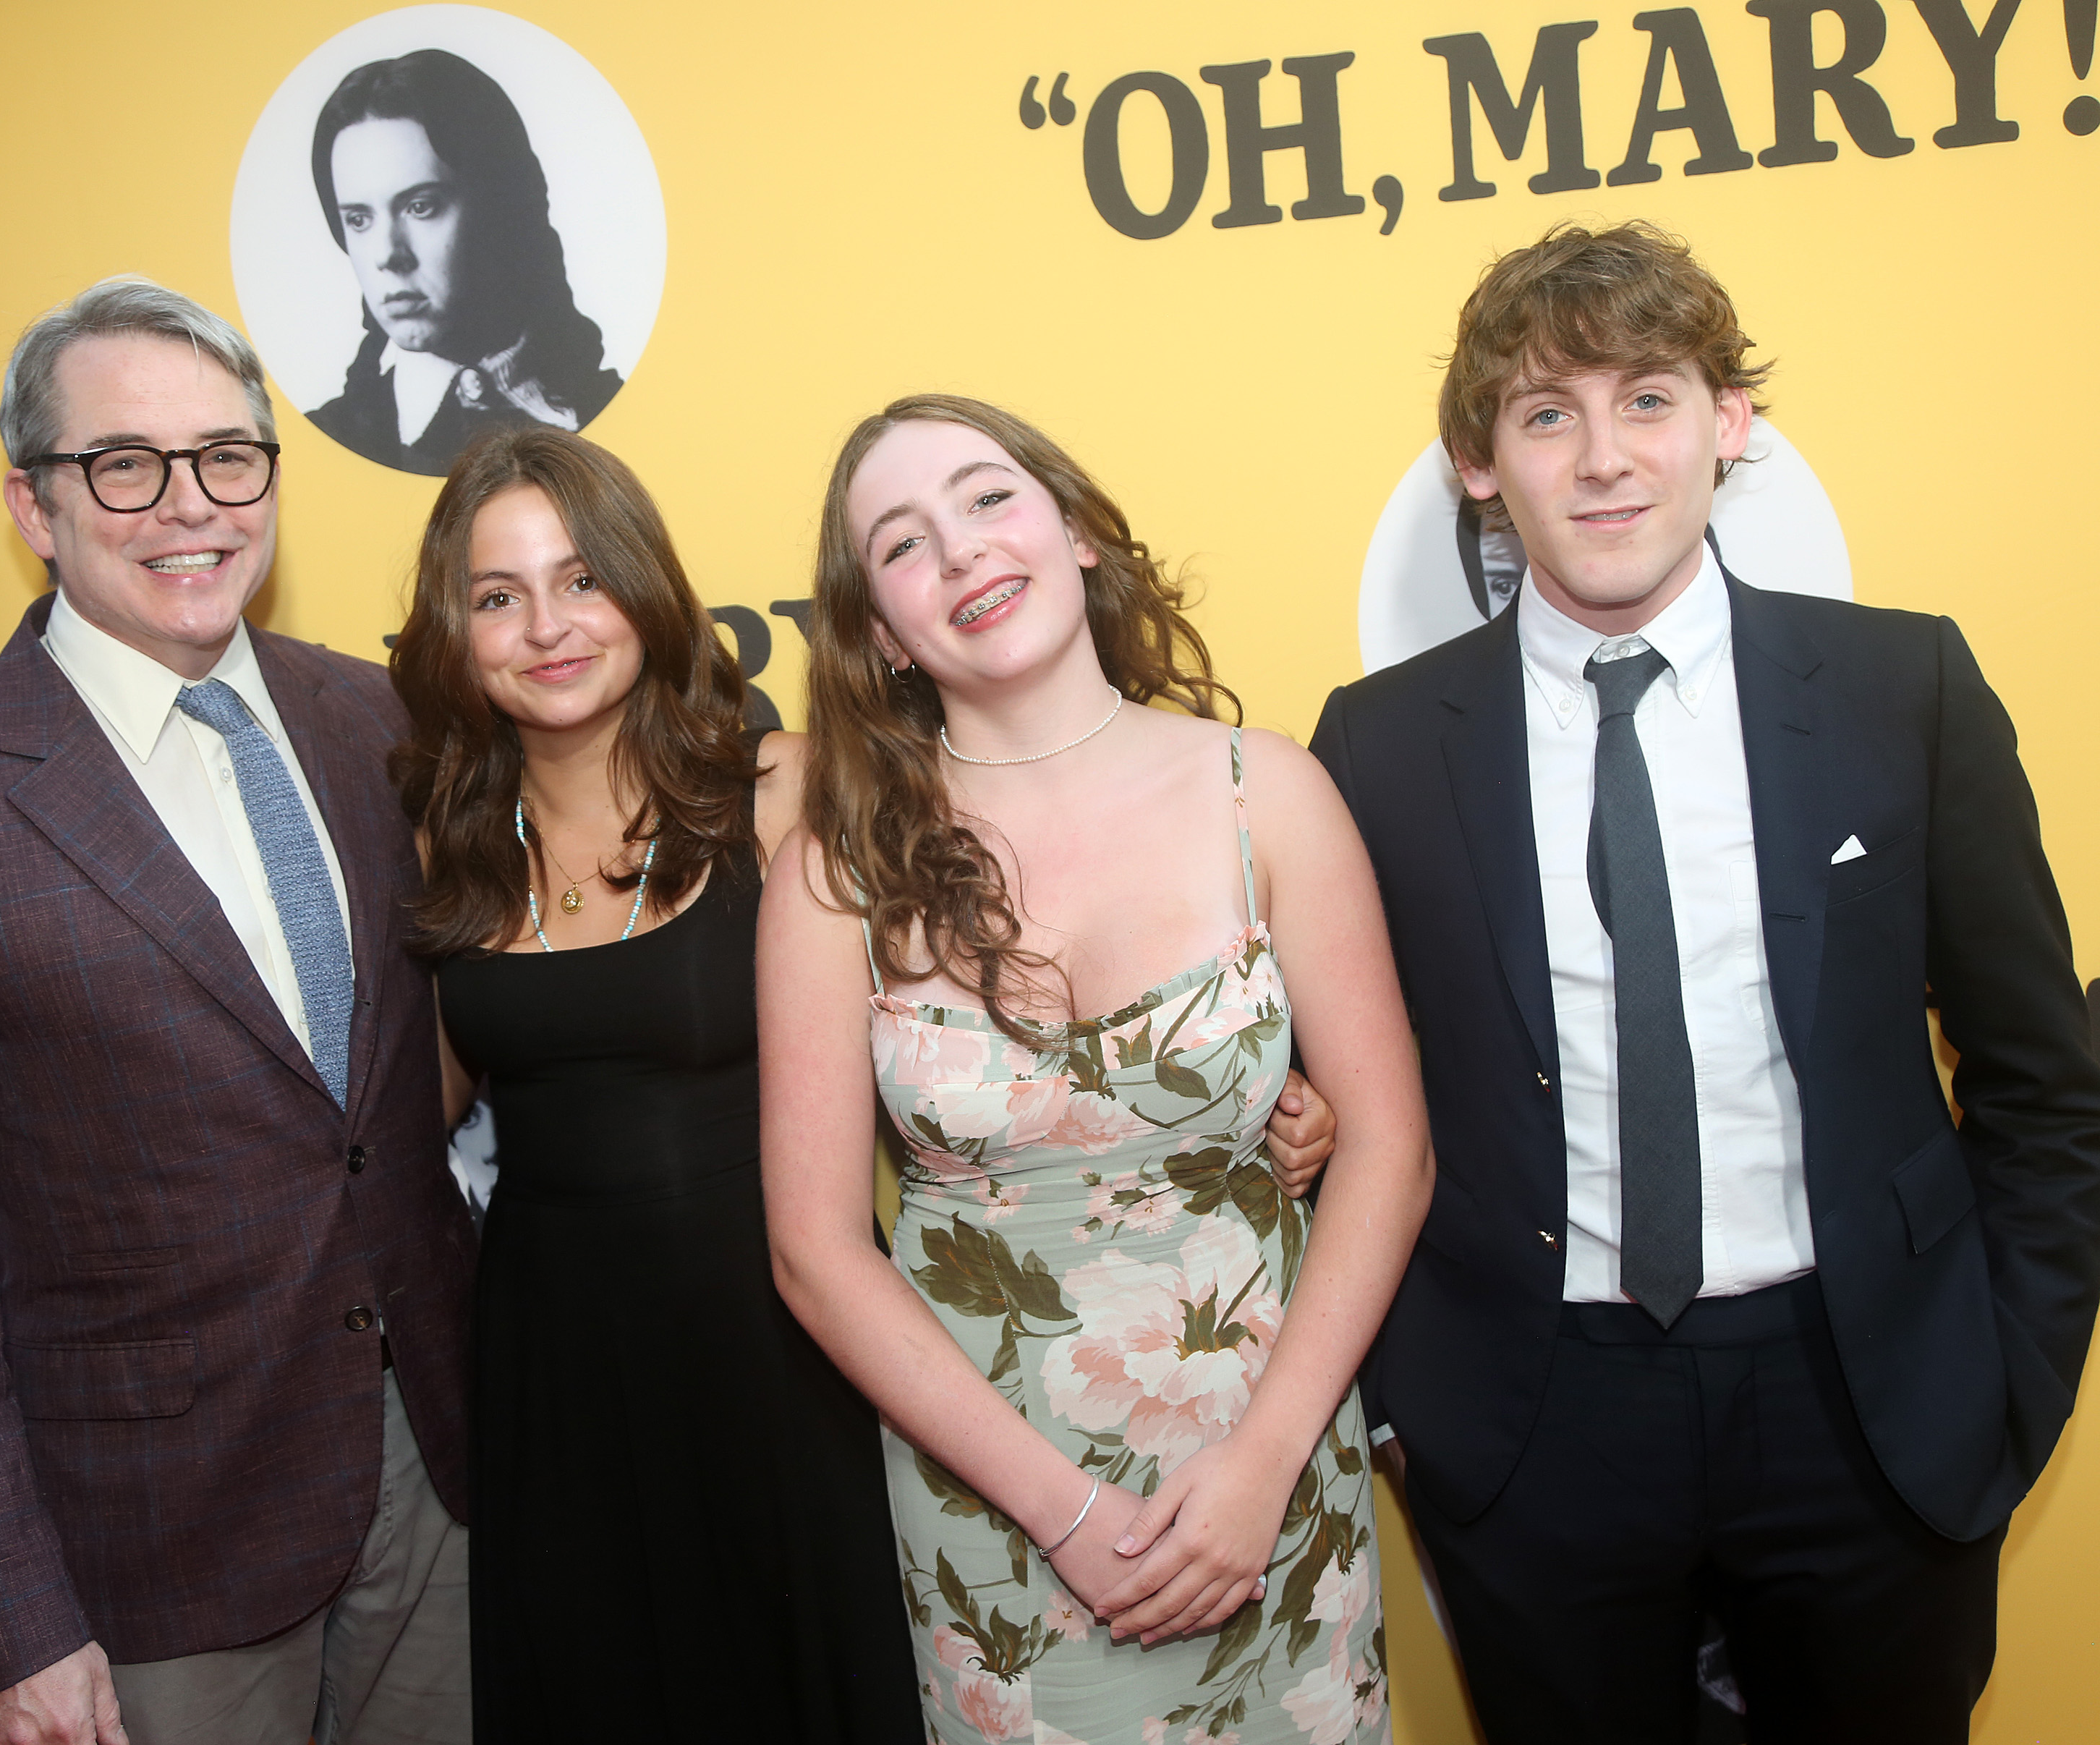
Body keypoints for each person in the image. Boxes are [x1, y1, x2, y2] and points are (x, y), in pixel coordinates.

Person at [1310, 221, 2100, 1742]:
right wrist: (1415, 1410)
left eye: (1648, 399)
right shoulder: (1378, 747)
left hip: (1869, 1401)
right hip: (1538, 1424)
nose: (1603, 458)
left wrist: (2007, 1372)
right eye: (1547, 414)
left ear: (1730, 426)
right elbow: (1339, 1097)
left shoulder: (1902, 689)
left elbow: (2041, 1076)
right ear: (1481, 462)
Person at [0, 276, 475, 1745]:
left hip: (431, 1492)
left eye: (228, 457)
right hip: (151, 1567)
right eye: (125, 464)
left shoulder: (383, 724)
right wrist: (0, 1634)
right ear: (35, 506)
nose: (190, 506)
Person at [760, 394, 1432, 1743]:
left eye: (989, 498)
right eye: (903, 543)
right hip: (994, 1515)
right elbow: (815, 1252)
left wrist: (1260, 1469)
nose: (959, 551)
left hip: (1270, 1472)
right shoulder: (836, 871)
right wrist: (1063, 1513)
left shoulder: (1270, 792)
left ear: (1075, 533)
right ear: (880, 632)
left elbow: (1391, 1153)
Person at [308, 47, 624, 475]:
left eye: (421, 206)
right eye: (359, 219)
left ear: (500, 207)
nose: (387, 255)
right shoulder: (321, 442)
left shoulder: (613, 412)